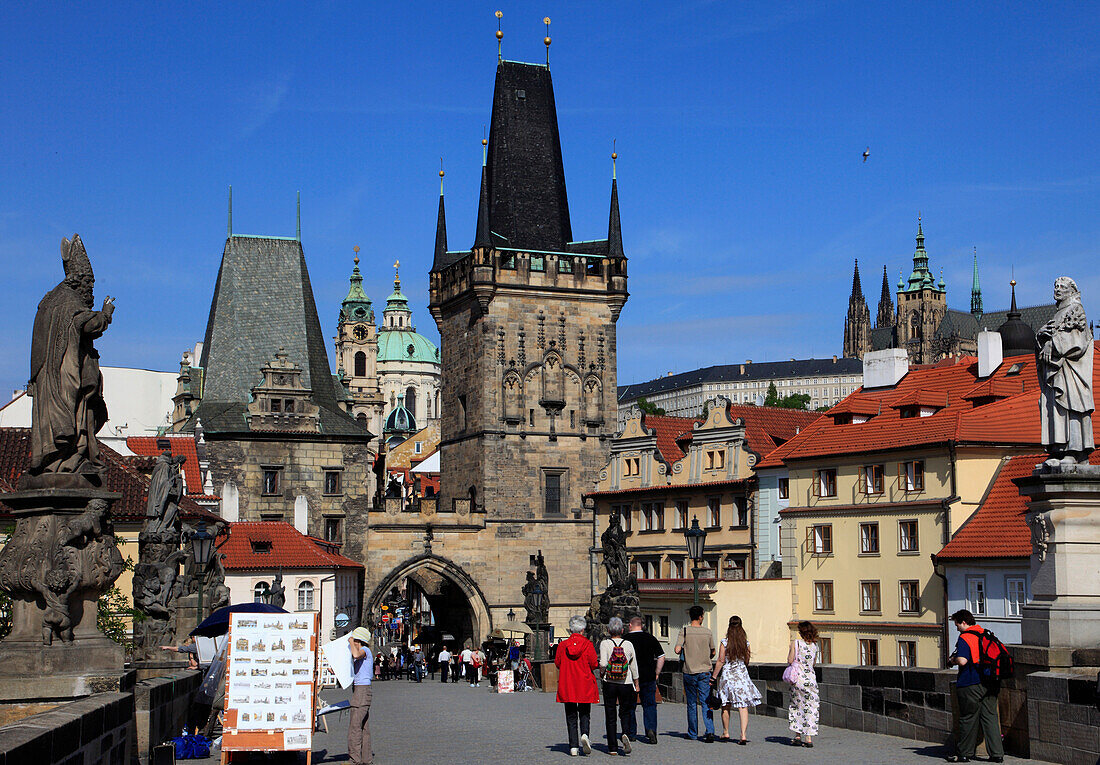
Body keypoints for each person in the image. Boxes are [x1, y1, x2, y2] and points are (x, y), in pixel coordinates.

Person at [945, 610, 1005, 763]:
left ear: (963, 622)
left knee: (968, 718)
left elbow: (963, 660)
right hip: (991, 683)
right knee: (990, 717)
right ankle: (997, 754)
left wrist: (952, 660)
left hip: (971, 682)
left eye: (957, 624)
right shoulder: (984, 633)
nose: (957, 628)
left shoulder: (966, 637)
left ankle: (964, 753)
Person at [711, 615, 761, 743]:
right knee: (743, 706)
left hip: (728, 675)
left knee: (725, 705)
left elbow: (721, 660)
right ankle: (743, 735)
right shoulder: (746, 643)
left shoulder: (725, 642)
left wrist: (714, 676)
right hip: (741, 675)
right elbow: (747, 660)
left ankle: (726, 732)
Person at [555, 615, 599, 756]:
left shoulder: (562, 646)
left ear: (571, 630)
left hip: (568, 683)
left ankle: (573, 746)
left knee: (571, 715)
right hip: (584, 683)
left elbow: (557, 663)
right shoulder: (587, 644)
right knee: (585, 713)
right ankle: (585, 734)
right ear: (582, 630)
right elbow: (594, 664)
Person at [674, 605, 715, 742]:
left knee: (691, 703)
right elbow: (713, 651)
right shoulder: (707, 632)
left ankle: (692, 733)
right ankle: (709, 731)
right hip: (704, 671)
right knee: (706, 702)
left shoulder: (684, 631)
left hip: (689, 671)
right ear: (700, 616)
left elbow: (677, 650)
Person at [599, 616, 640, 756]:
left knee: (610, 714)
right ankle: (625, 733)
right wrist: (636, 683)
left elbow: (603, 664)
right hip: (626, 682)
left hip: (609, 682)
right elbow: (633, 666)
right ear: (622, 630)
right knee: (626, 711)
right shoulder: (628, 644)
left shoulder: (605, 644)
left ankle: (612, 748)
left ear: (609, 630)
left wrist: (602, 674)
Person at [623, 615, 665, 745]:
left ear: (630, 625)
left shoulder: (626, 640)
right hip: (648, 676)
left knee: (630, 705)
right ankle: (651, 730)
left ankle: (631, 733)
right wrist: (656, 673)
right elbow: (661, 656)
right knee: (650, 705)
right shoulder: (650, 638)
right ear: (641, 625)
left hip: (630, 677)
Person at [787, 620, 820, 748]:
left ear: (801, 632)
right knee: (811, 707)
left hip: (798, 680)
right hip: (811, 680)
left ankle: (797, 736)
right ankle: (809, 738)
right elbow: (813, 664)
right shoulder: (815, 646)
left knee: (797, 706)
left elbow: (790, 660)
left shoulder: (796, 643)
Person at [347, 627, 375, 765]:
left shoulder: (365, 651)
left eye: (354, 640)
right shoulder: (360, 653)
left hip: (362, 691)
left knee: (355, 727)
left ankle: (354, 760)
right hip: (361, 690)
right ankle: (366, 759)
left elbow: (356, 655)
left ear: (359, 641)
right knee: (363, 727)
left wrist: (351, 642)